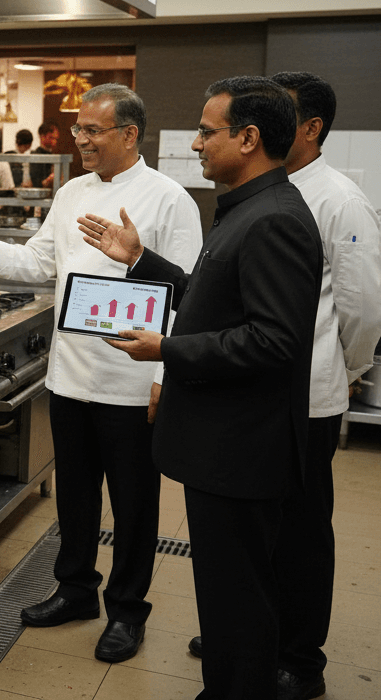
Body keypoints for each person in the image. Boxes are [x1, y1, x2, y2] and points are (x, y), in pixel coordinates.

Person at [78, 76, 322, 699]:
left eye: (208, 132)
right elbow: (217, 303)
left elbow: (273, 342)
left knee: (237, 599)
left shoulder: (275, 221)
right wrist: (142, 262)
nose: (196, 142)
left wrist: (167, 349)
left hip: (240, 451)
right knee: (227, 596)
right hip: (227, 450)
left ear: (248, 138)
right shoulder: (248, 208)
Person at [0, 85, 202, 664]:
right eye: (78, 129)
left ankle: (128, 611)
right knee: (76, 497)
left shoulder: (169, 198)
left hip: (134, 380)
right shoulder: (71, 193)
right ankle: (76, 589)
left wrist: (167, 375)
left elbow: (189, 294)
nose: (79, 139)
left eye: (92, 131)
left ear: (129, 135)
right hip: (72, 376)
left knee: (135, 506)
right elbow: (40, 263)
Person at [185, 73, 381, 700]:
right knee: (255, 539)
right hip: (261, 394)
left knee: (298, 536)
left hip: (310, 396)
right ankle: (249, 639)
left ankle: (299, 656)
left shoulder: (337, 200)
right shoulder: (263, 195)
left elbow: (362, 309)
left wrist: (345, 373)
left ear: (308, 127)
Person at [29, 121, 60, 188]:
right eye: (51, 138)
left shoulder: (53, 156)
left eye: (56, 139)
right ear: (42, 136)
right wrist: (50, 179)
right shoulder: (36, 155)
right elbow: (36, 183)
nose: (54, 141)